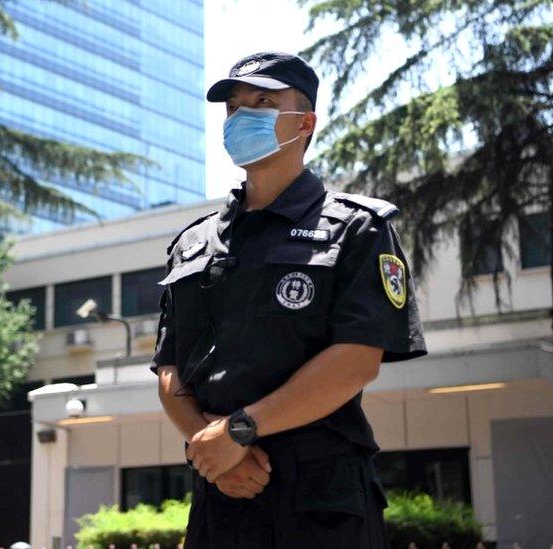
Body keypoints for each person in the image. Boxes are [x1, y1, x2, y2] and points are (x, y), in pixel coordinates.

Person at [150, 52, 427, 548]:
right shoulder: (194, 244)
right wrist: (208, 448)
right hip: (220, 498)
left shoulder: (357, 228)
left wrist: (236, 433)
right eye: (234, 107)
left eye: (262, 102)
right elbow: (170, 369)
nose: (241, 117)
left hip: (322, 501)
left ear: (305, 122)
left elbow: (358, 359)